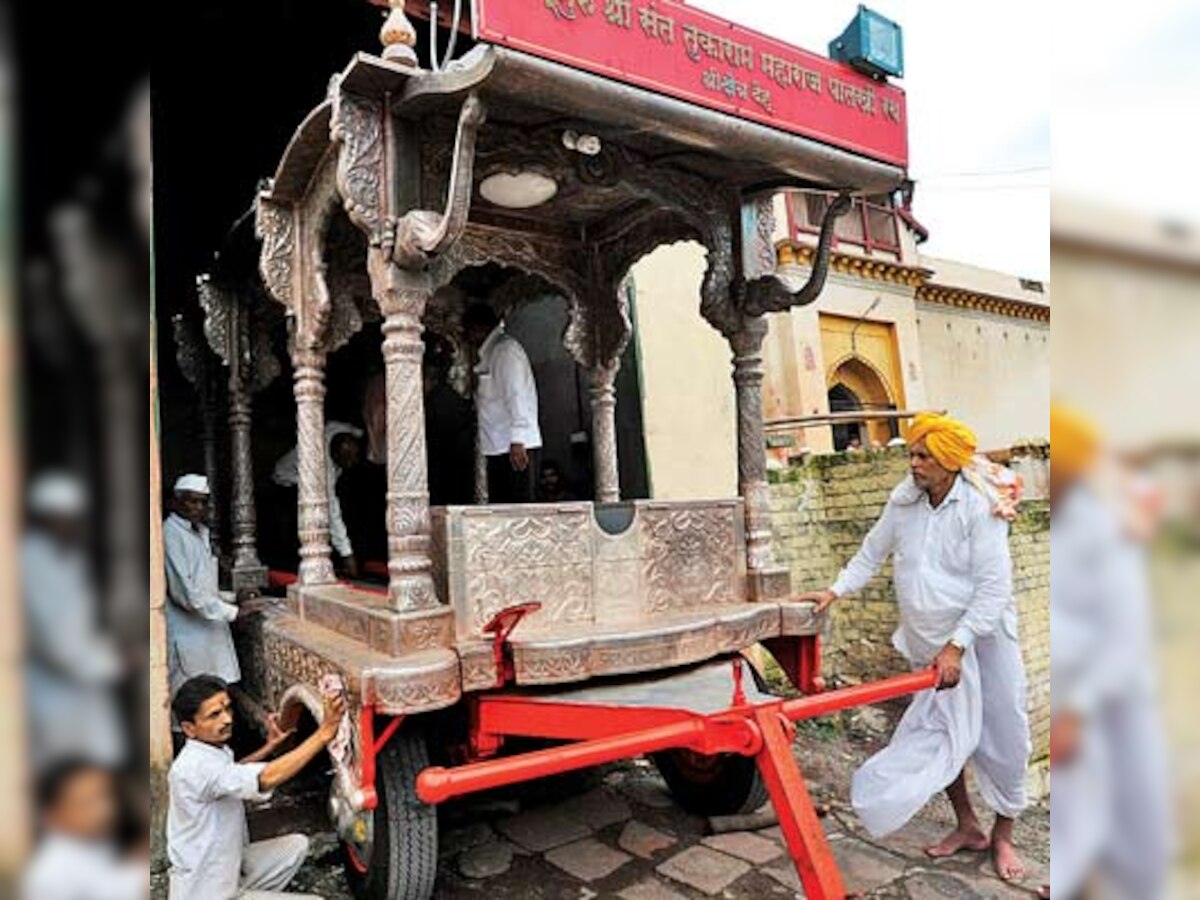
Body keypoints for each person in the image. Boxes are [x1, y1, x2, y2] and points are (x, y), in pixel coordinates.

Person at [798, 412, 1032, 882]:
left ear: (948, 463)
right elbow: (872, 551)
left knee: (1006, 733)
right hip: (928, 642)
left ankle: (1003, 835)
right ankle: (967, 825)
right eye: (912, 453)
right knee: (939, 733)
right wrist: (836, 590)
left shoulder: (979, 507)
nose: (914, 463)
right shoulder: (903, 502)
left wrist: (958, 645)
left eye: (923, 456)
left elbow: (993, 589)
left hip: (981, 639)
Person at [1048, 403, 1172, 900]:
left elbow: (1126, 633)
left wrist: (1078, 711)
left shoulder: (1101, 528)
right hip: (1069, 698)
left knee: (1136, 827)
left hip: (1114, 700)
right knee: (1077, 829)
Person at [168, 675, 345, 899]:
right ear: (189, 728)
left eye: (227, 709)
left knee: (296, 846)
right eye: (214, 715)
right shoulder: (195, 768)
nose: (226, 719)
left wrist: (269, 747)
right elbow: (266, 777)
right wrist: (324, 733)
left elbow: (232, 772)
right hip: (206, 891)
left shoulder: (209, 751)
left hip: (226, 867)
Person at [23, 473, 127, 769]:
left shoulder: (72, 557)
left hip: (85, 671)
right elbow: (52, 637)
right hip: (55, 679)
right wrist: (110, 663)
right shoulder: (30, 561)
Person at [164, 475, 257, 699]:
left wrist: (234, 597)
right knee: (192, 702)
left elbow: (203, 586)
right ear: (175, 502)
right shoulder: (170, 534)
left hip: (208, 632)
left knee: (214, 699)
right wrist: (235, 612)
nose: (198, 507)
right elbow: (186, 594)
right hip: (189, 635)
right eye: (192, 501)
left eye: (203, 502)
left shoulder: (199, 532)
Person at [22, 760, 147, 900]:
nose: (103, 811)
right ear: (52, 815)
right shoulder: (54, 871)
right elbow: (116, 889)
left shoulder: (98, 843)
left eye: (104, 797)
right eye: (86, 803)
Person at [462, 302, 542, 503]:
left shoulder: (505, 351)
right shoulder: (491, 353)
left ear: (478, 328)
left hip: (514, 447)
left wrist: (518, 439)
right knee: (503, 507)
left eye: (468, 331)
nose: (468, 338)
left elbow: (517, 396)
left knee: (518, 509)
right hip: (499, 446)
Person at [272, 423, 364, 577]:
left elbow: (347, 428)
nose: (353, 463)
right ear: (335, 454)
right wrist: (347, 554)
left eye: (354, 457)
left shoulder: (336, 430)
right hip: (286, 485)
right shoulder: (322, 467)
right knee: (309, 522)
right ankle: (301, 569)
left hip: (304, 480)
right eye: (347, 459)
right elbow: (332, 511)